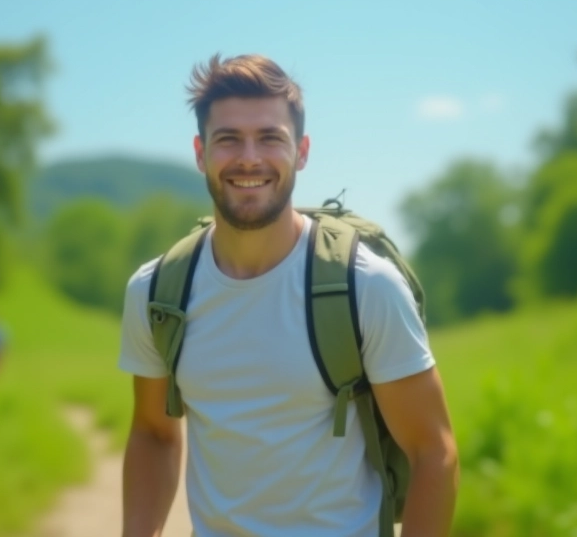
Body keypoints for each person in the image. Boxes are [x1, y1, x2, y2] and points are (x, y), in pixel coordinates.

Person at [118, 53, 459, 536]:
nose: (249, 157)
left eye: (270, 138)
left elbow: (434, 452)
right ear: (200, 153)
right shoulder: (156, 292)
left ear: (301, 151)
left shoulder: (366, 285)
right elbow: (153, 433)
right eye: (228, 139)